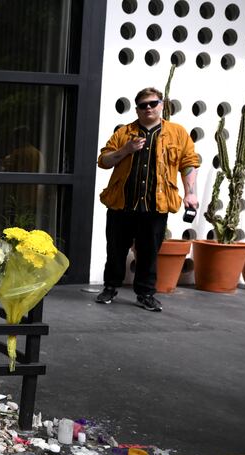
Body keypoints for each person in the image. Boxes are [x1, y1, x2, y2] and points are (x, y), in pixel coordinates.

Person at [96, 87, 199, 311]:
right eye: (143, 105)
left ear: (162, 105)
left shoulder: (177, 133)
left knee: (149, 252)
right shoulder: (124, 133)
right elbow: (104, 161)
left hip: (155, 206)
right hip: (121, 204)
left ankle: (145, 294)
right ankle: (110, 287)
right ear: (137, 109)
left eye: (153, 103)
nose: (149, 108)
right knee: (115, 250)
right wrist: (125, 150)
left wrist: (191, 192)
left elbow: (188, 162)